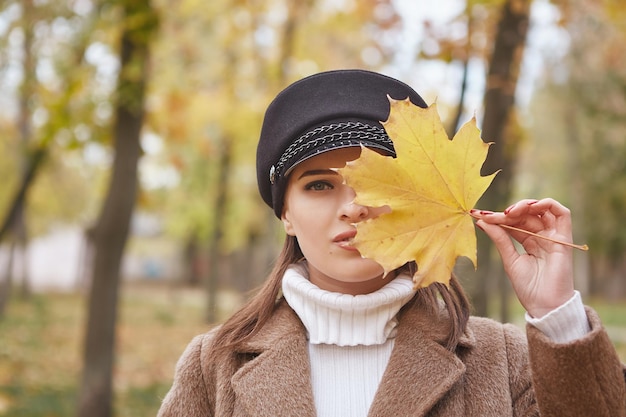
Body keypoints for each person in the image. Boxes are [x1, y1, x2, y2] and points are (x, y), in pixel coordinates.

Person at [157, 69, 626, 417]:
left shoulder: (504, 360)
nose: (353, 207)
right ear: (286, 215)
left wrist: (557, 314)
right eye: (319, 186)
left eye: (378, 185)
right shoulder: (213, 365)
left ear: (418, 200)